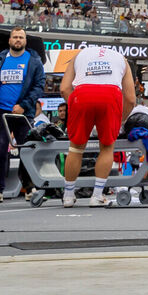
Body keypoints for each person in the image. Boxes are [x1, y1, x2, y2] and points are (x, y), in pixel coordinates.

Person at [0, 27, 45, 204]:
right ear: (10, 40)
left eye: (21, 37)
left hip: (23, 114)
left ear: (26, 41)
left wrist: (24, 105)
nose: (18, 40)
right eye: (15, 37)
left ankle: (29, 188)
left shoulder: (34, 61)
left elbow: (39, 86)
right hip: (0, 112)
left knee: (26, 151)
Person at [59, 45, 136, 207]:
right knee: (107, 147)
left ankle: (68, 195)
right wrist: (119, 119)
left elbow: (64, 88)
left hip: (82, 94)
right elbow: (130, 99)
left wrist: (75, 106)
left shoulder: (78, 55)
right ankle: (97, 195)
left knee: (75, 149)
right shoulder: (122, 59)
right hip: (110, 95)